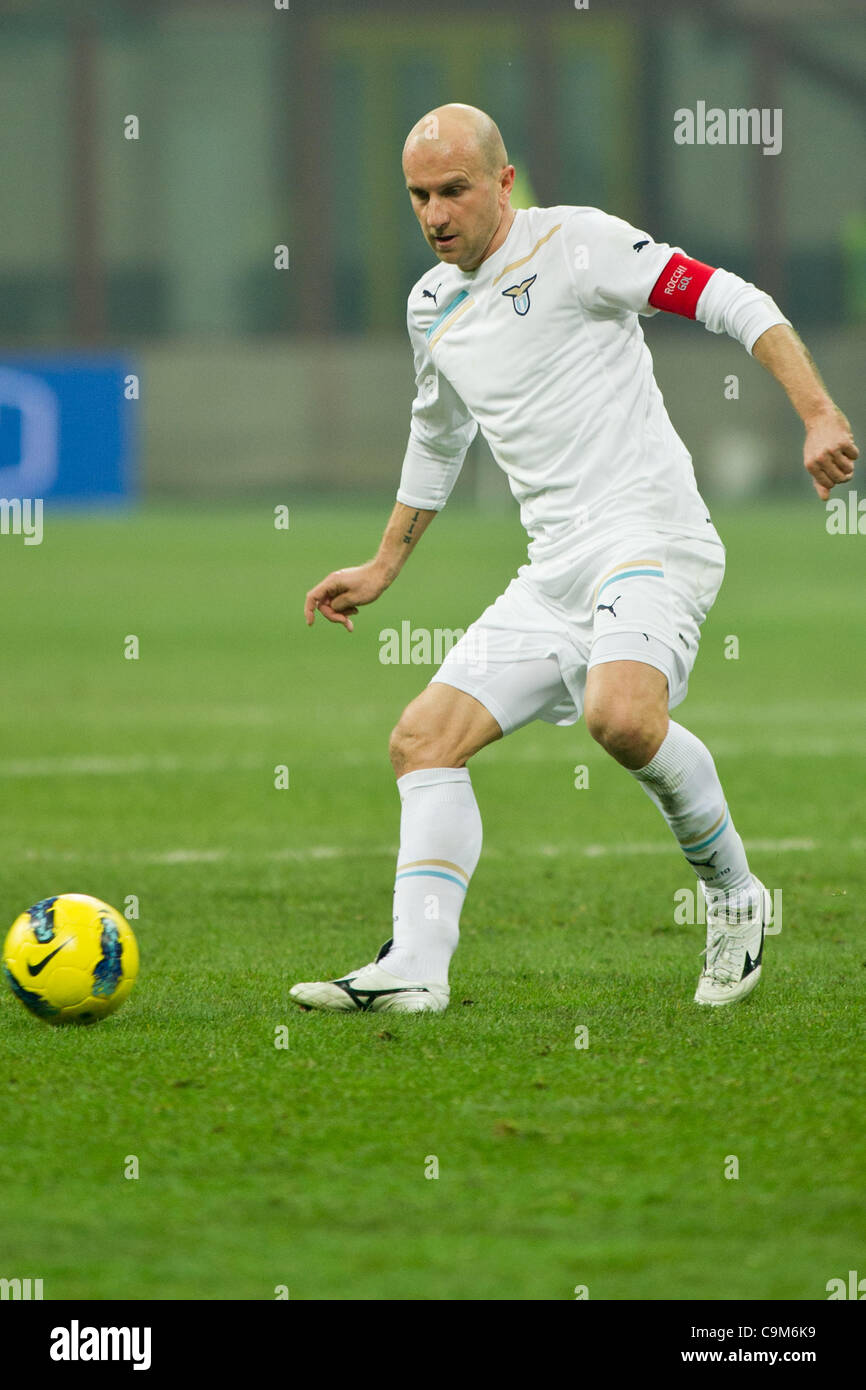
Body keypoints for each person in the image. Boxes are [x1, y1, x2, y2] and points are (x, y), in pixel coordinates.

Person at [294, 103, 857, 1014]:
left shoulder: (580, 246)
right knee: (422, 741)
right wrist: (385, 564)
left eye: (455, 190)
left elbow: (733, 300)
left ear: (503, 183)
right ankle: (417, 971)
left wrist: (819, 413)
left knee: (622, 719)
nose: (436, 213)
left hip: (650, 538)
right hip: (554, 569)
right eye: (419, 196)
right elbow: (438, 441)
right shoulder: (430, 305)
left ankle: (736, 895)